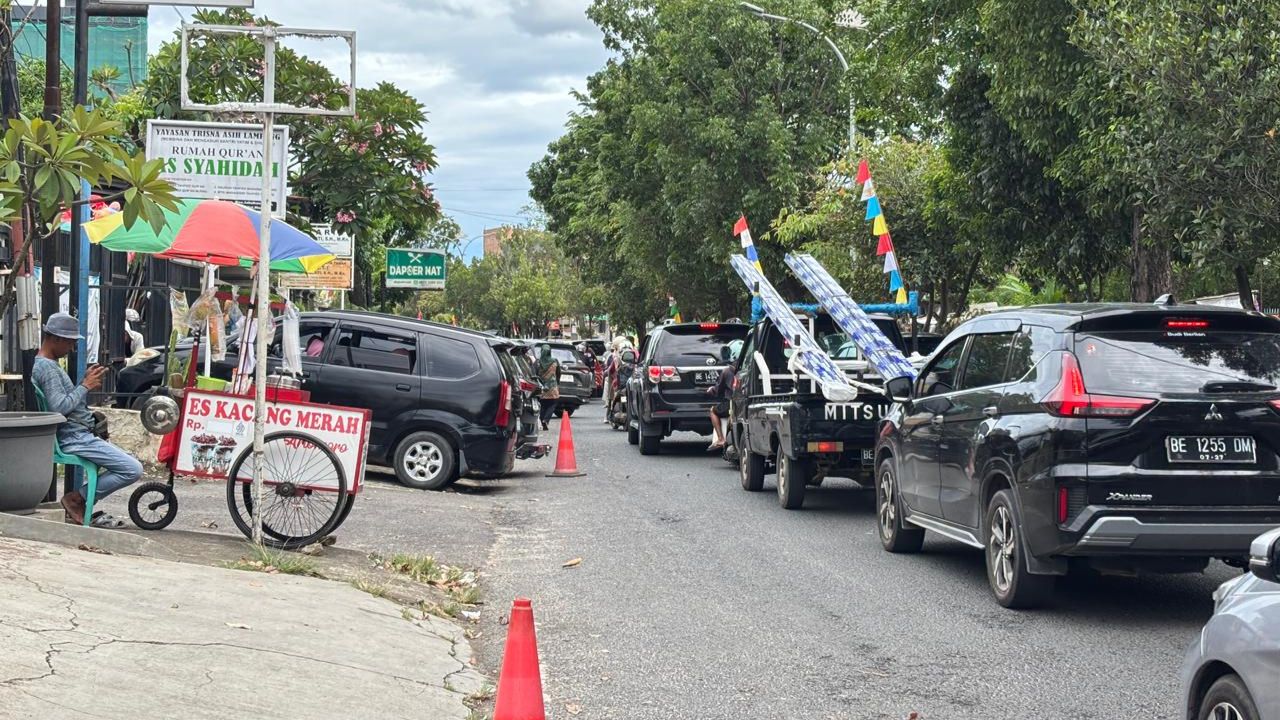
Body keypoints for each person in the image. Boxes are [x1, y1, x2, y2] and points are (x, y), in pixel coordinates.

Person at [32, 313, 143, 527]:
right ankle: (77, 500)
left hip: (81, 434)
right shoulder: (46, 368)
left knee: (128, 459)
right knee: (132, 468)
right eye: (70, 343)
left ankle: (80, 499)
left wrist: (83, 384)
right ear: (56, 339)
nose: (72, 348)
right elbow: (59, 408)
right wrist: (85, 386)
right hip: (74, 438)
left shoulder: (50, 365)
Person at [705, 356, 738, 451]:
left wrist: (711, 390)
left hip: (732, 404)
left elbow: (717, 391)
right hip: (744, 403)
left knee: (713, 411)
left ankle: (721, 439)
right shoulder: (747, 369)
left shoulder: (727, 371)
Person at [536, 344, 561, 430]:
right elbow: (558, 374)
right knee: (553, 404)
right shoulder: (554, 361)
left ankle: (542, 419)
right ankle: (545, 420)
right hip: (552, 387)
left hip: (542, 387)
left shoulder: (538, 362)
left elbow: (535, 374)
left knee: (543, 404)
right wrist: (557, 382)